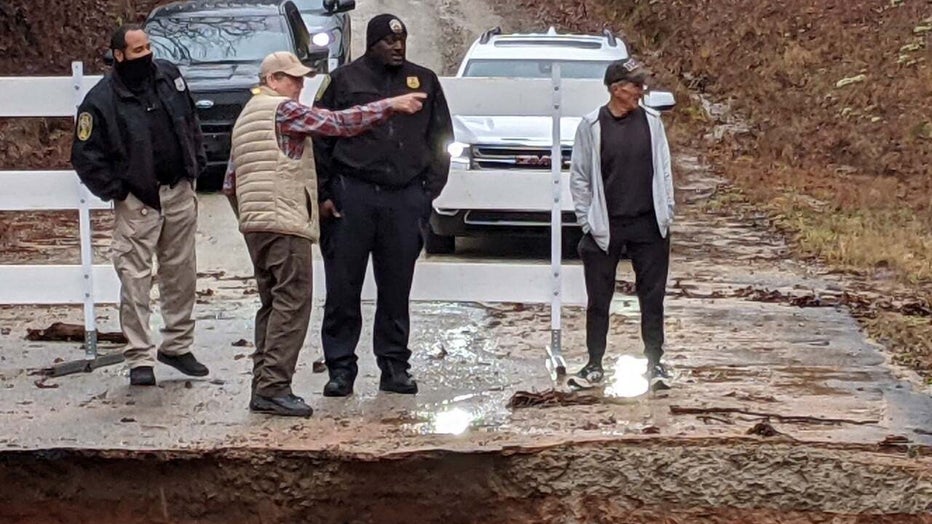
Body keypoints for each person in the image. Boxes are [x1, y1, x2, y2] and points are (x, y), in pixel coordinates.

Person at [225, 51, 427, 417]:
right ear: (272, 80)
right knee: (292, 303)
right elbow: (337, 123)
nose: (300, 85)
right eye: (292, 79)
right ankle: (273, 388)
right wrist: (390, 105)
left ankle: (263, 383)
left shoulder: (246, 116)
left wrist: (248, 217)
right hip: (283, 221)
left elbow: (229, 183)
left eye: (302, 79)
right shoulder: (282, 110)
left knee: (271, 304)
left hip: (254, 223)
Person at [313, 14, 453, 398]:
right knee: (343, 287)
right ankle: (340, 368)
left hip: (404, 197)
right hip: (352, 195)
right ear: (371, 43)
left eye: (401, 40)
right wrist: (325, 192)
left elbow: (442, 137)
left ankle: (394, 366)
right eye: (388, 41)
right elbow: (320, 138)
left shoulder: (424, 80)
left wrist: (428, 191)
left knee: (396, 289)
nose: (396, 47)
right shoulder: (344, 80)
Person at [71, 24, 208, 387]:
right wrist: (117, 191)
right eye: (136, 50)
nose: (145, 54)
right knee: (135, 281)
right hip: (138, 201)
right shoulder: (100, 100)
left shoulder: (169, 77)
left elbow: (190, 120)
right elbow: (85, 156)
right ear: (118, 56)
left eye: (148, 46)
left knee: (181, 274)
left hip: (178, 191)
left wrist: (197, 161)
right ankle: (139, 357)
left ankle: (178, 344)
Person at [569, 58, 676, 389]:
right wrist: (587, 220)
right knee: (598, 298)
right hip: (606, 225)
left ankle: (656, 363)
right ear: (617, 90)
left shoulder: (653, 122)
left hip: (648, 223)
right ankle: (594, 364)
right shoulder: (591, 126)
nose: (641, 91)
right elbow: (580, 177)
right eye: (635, 85)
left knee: (652, 296)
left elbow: (664, 169)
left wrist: (667, 211)